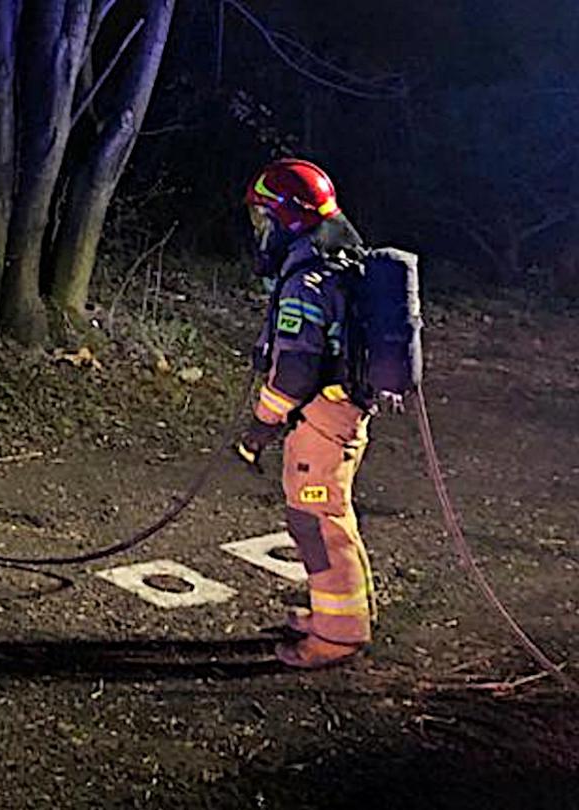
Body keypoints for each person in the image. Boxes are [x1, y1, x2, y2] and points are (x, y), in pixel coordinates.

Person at [235, 157, 377, 669]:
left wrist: (261, 426)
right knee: (332, 516)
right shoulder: (336, 262)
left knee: (316, 522)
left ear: (287, 219)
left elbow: (294, 371)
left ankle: (336, 638)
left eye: (264, 218)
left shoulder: (306, 281)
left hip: (322, 418)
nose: (260, 231)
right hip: (336, 414)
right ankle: (340, 615)